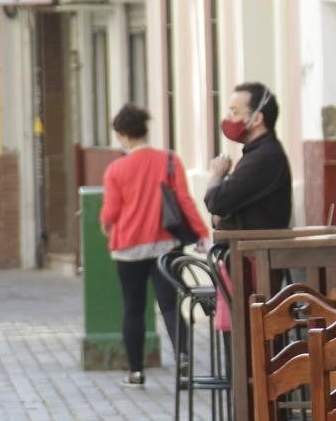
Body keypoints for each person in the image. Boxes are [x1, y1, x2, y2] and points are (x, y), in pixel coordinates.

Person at [100, 103, 209, 387]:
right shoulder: (170, 160)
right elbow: (184, 200)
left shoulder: (116, 169)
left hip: (128, 246)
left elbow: (111, 211)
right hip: (166, 244)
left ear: (123, 134)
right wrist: (200, 233)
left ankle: (136, 372)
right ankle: (183, 360)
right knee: (171, 306)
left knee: (133, 308)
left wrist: (104, 222)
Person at [204, 82, 292, 230]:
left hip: (252, 251)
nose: (228, 118)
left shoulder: (264, 157)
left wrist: (218, 174)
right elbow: (220, 211)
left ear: (257, 119)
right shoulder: (256, 153)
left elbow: (215, 202)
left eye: (235, 112)